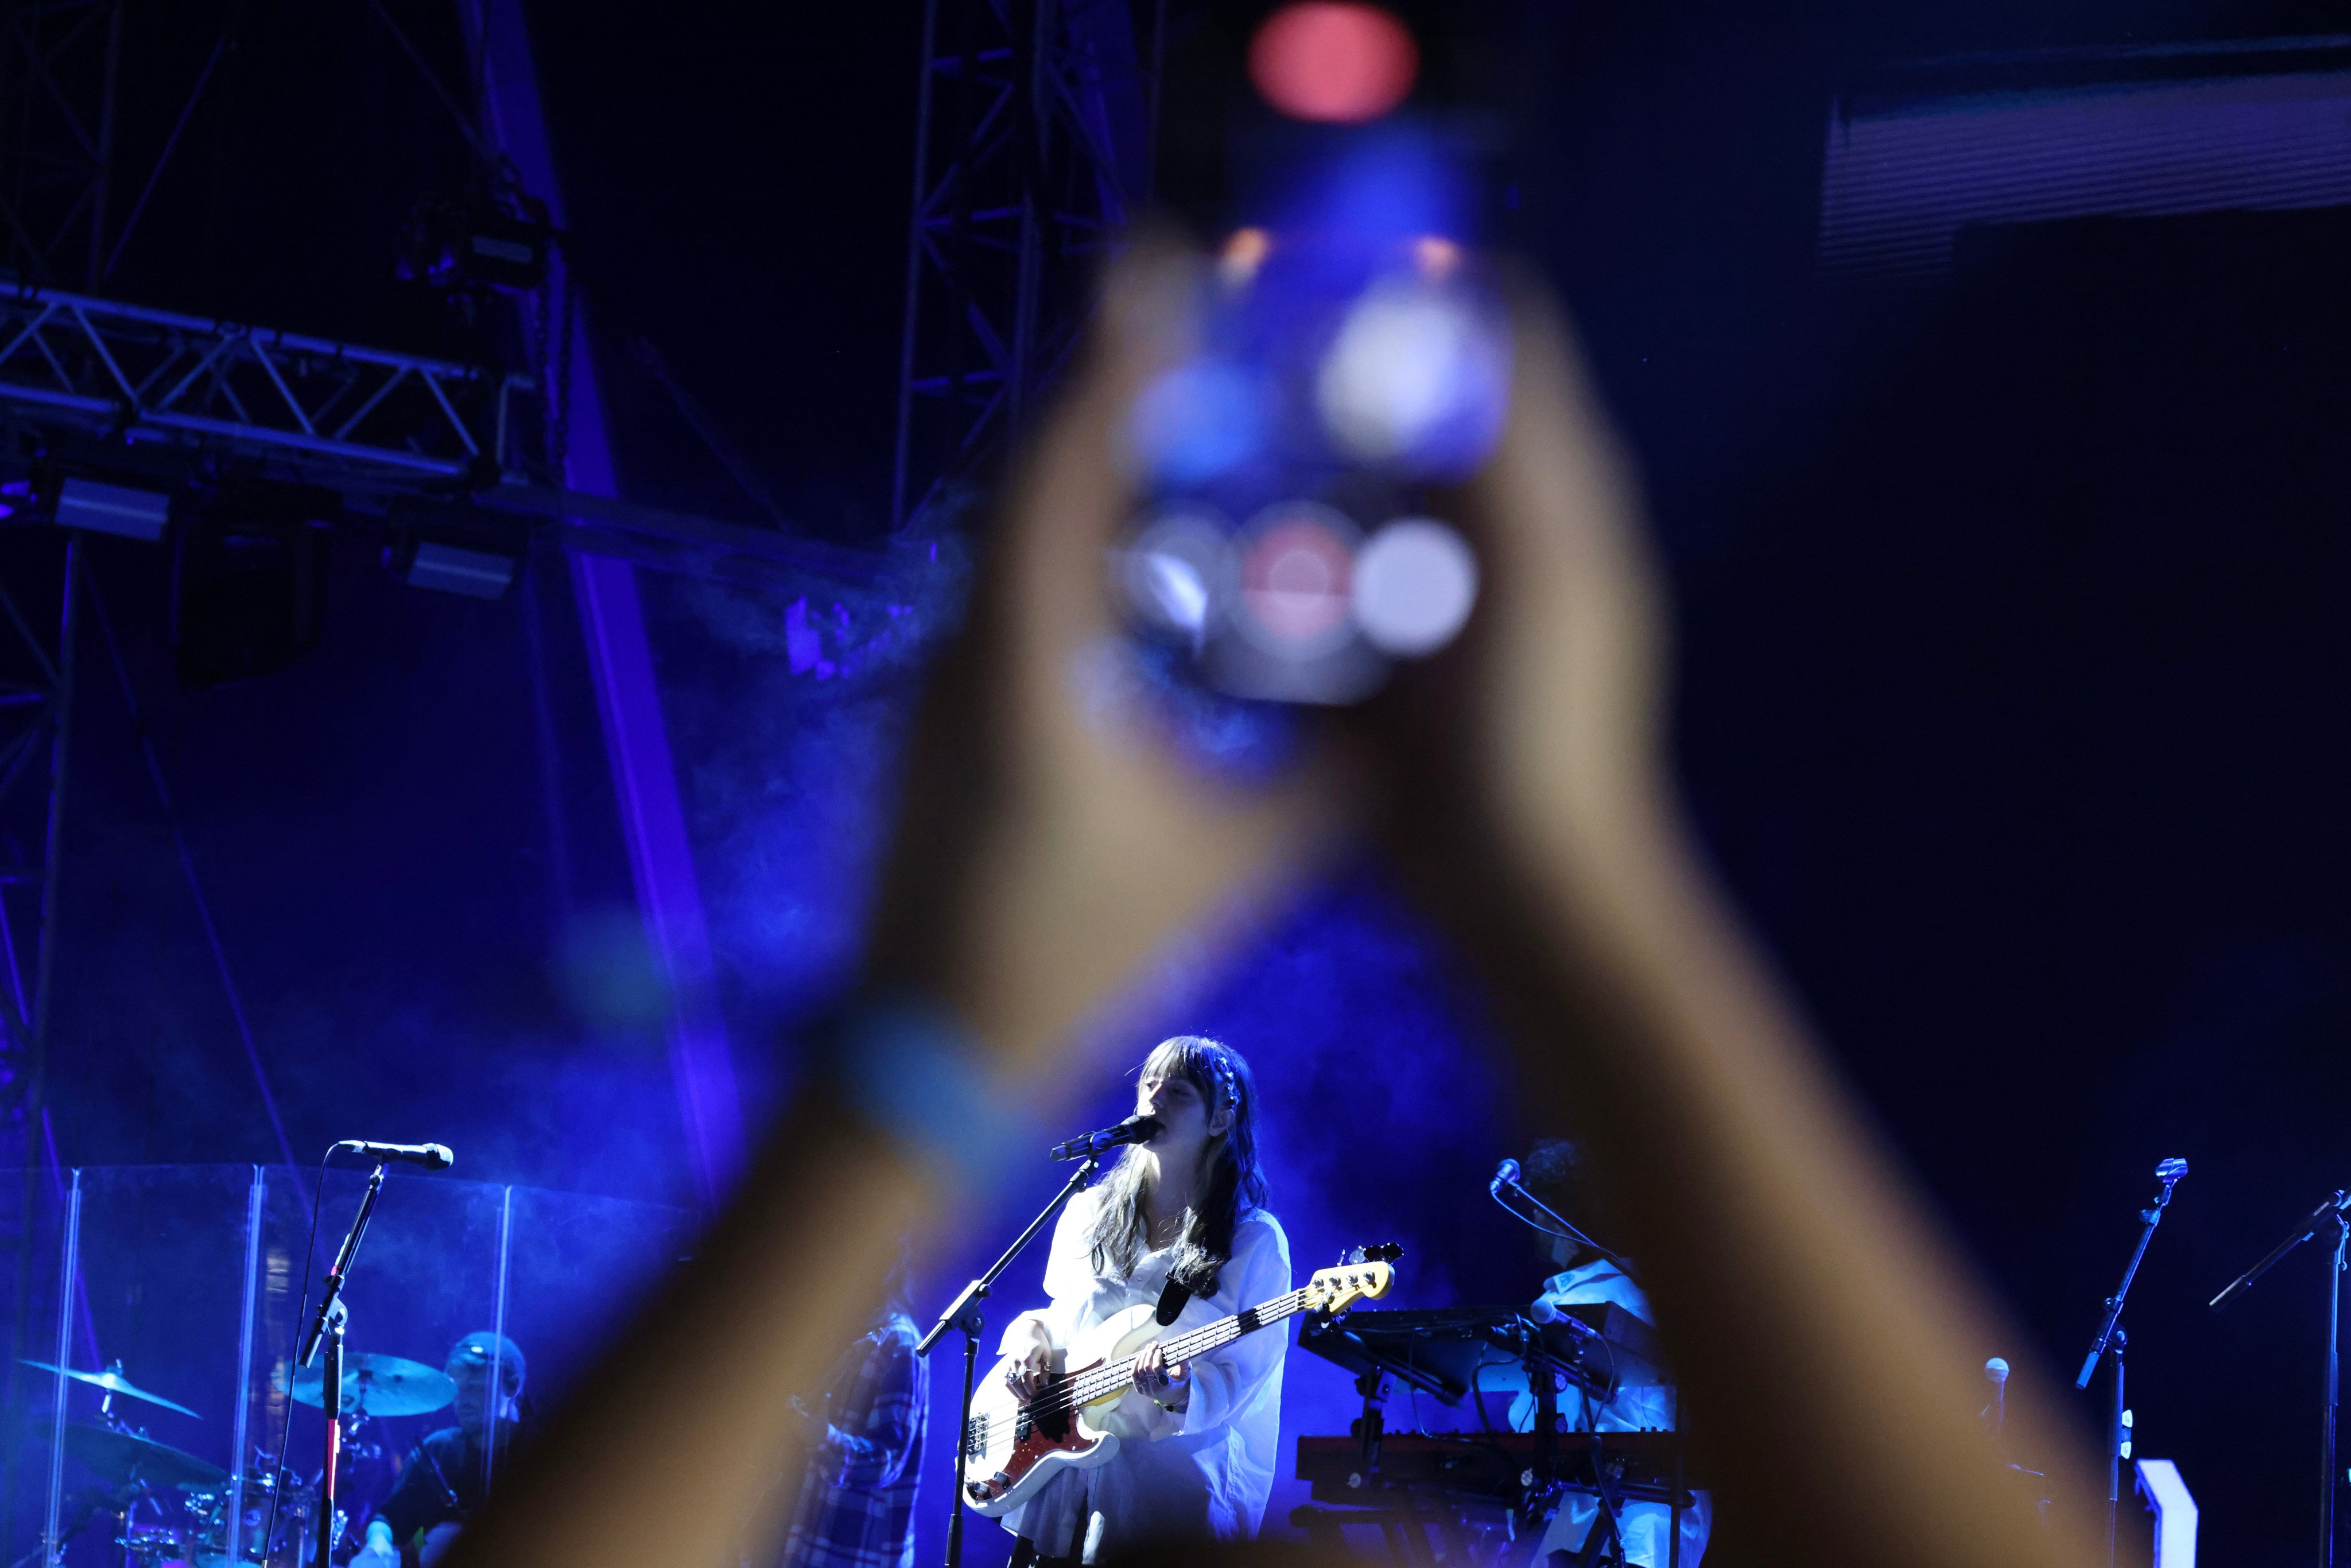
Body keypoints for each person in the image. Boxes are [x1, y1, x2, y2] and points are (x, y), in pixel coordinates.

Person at [440, 243, 2107, 1568]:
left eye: (1171, 1096)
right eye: (1144, 1088)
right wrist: (1589, 891)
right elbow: (1046, 1318)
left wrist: (930, 1031)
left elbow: (1214, 1379)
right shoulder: (1102, 1213)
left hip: (1163, 1491)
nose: (1144, 1111)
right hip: (1073, 1492)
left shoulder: (1262, 1250)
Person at [996, 1035, 1288, 1565]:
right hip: (1058, 1489)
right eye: (1148, 1084)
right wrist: (1028, 1339)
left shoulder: (1252, 1242)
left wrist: (1179, 1394)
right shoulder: (1087, 1211)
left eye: (1177, 1091)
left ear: (1221, 1120)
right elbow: (1061, 1317)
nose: (1154, 1098)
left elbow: (1247, 1372)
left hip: (1166, 1508)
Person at [1503, 1140, 1709, 1568]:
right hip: (1676, 1529)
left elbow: (1527, 1423)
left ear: (1545, 1214)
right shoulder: (1651, 1294)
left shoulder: (1570, 1306)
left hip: (1603, 1532)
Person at [775, 1256, 928, 1568]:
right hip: (796, 1543)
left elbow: (888, 1462)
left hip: (847, 1553)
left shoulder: (900, 1343)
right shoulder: (832, 1329)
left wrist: (822, 1437)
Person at [371, 1332, 527, 1567]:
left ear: (512, 1386)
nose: (462, 1399)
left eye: (476, 1388)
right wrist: (376, 1547)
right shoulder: (437, 1450)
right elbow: (389, 1521)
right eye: (456, 1389)